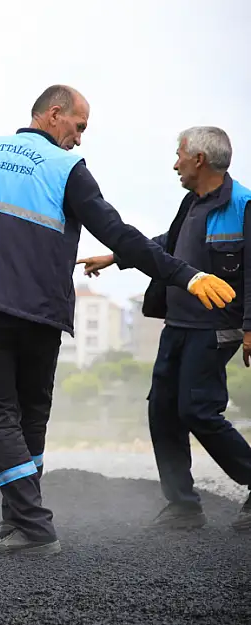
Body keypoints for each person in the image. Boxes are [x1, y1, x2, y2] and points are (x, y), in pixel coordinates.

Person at [0, 85, 236, 556]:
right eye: (79, 126)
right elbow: (118, 233)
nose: (79, 138)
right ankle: (19, 519)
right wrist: (186, 276)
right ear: (55, 115)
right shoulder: (66, 169)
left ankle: (31, 524)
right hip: (40, 310)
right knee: (30, 412)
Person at [78, 126, 251, 532]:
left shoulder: (243, 205)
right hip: (178, 324)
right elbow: (166, 244)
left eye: (179, 155)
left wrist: (249, 330)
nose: (175, 163)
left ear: (199, 160)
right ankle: (183, 506)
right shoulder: (191, 203)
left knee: (197, 409)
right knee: (161, 410)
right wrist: (115, 257)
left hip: (215, 327)